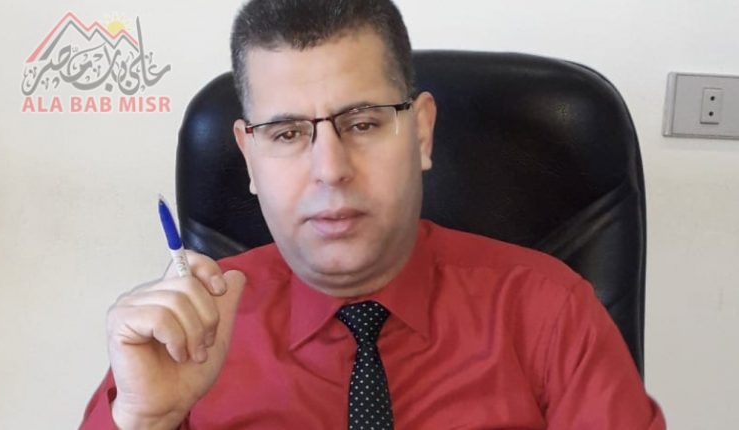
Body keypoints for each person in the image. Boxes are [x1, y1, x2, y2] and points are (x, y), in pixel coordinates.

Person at [81, 0, 666, 429]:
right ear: (249, 156)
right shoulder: (187, 339)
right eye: (286, 133)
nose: (330, 169)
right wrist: (144, 420)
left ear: (421, 132)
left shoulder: (551, 313)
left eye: (362, 123)